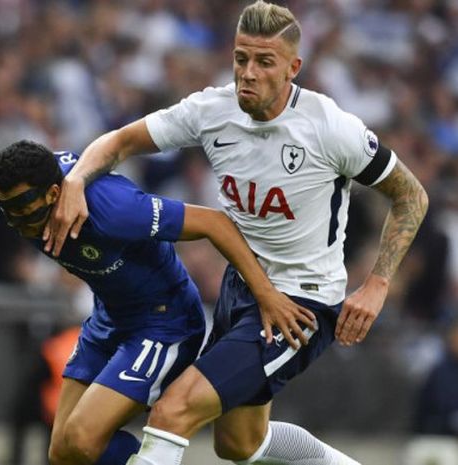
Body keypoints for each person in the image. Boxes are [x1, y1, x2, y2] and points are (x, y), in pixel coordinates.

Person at [43, 2, 429, 464]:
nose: (248, 73)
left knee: (173, 411)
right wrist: (75, 179)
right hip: (241, 290)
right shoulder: (212, 110)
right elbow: (119, 141)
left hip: (300, 304)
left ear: (293, 68)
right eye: (241, 58)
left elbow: (412, 195)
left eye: (264, 62)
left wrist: (378, 283)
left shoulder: (331, 128)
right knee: (239, 443)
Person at [0, 140, 312, 465]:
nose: (18, 224)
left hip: (164, 322)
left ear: (56, 193)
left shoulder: (113, 209)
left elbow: (215, 223)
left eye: (27, 212)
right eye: (8, 213)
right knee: (65, 451)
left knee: (84, 434)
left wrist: (266, 295)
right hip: (107, 320)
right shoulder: (7, 194)